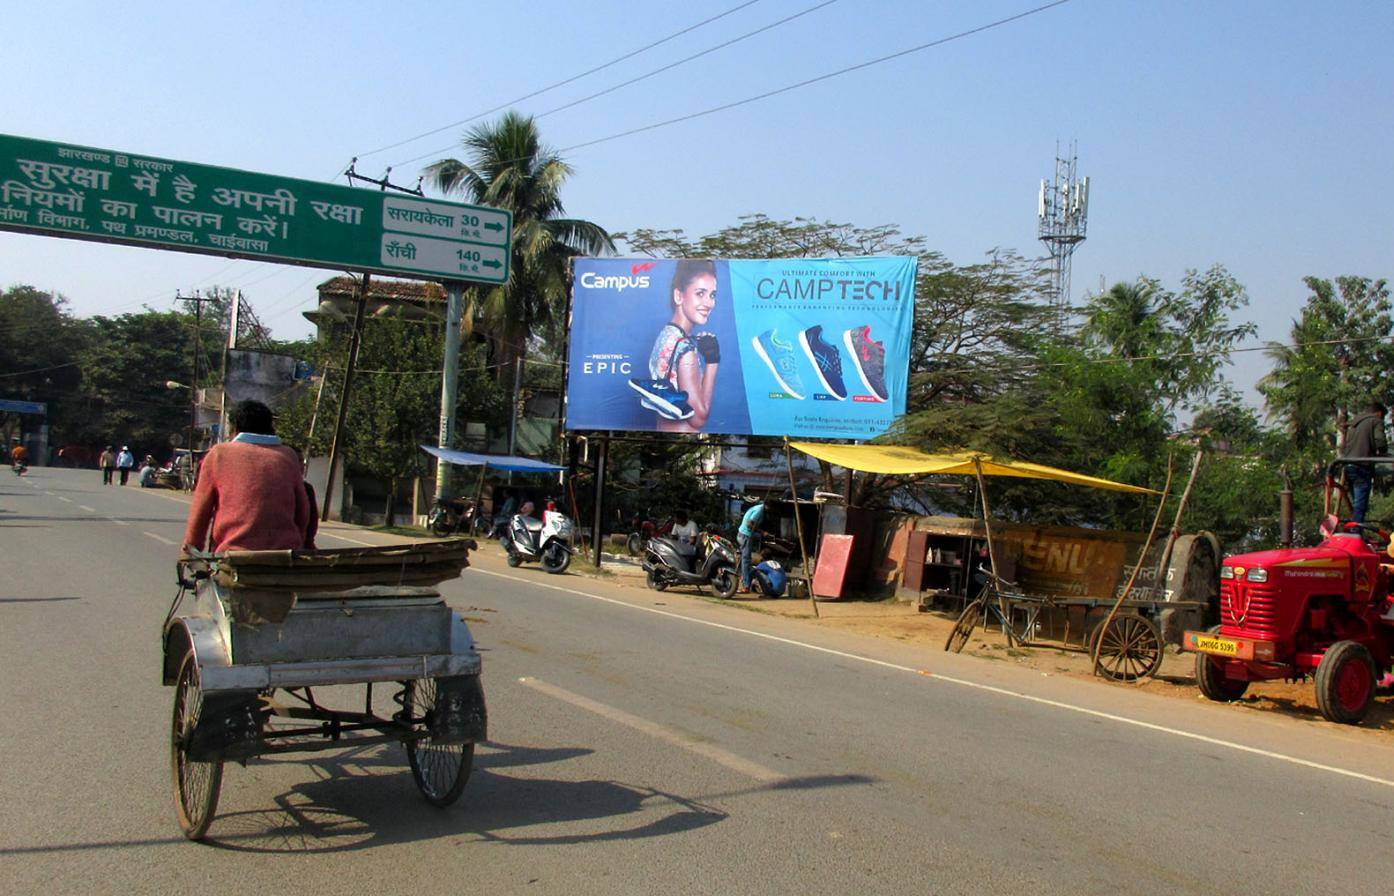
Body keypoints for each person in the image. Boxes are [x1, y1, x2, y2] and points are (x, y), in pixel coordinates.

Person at [182, 400, 313, 554]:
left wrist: (190, 550)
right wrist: (300, 542)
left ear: (235, 427)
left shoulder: (219, 454)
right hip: (285, 553)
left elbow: (200, 512)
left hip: (233, 553)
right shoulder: (288, 455)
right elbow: (303, 511)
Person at [637, 260, 721, 433]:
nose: (709, 303)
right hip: (682, 441)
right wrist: (713, 361)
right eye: (700, 293)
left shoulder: (666, 335)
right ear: (679, 296)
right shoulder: (685, 349)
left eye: (712, 295)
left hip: (664, 435)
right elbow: (699, 418)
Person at [1342, 401, 1387, 523]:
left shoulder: (1354, 423)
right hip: (1362, 465)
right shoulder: (1376, 421)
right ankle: (1356, 533)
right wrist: (1383, 452)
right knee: (1360, 505)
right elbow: (1380, 442)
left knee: (1356, 503)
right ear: (1379, 413)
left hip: (1348, 465)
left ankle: (1353, 530)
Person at [737, 498, 776, 593]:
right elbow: (749, 524)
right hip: (745, 535)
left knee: (746, 560)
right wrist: (762, 533)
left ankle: (747, 581)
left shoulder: (759, 508)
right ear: (768, 506)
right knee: (746, 561)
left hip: (745, 534)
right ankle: (746, 586)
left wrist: (762, 534)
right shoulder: (759, 511)